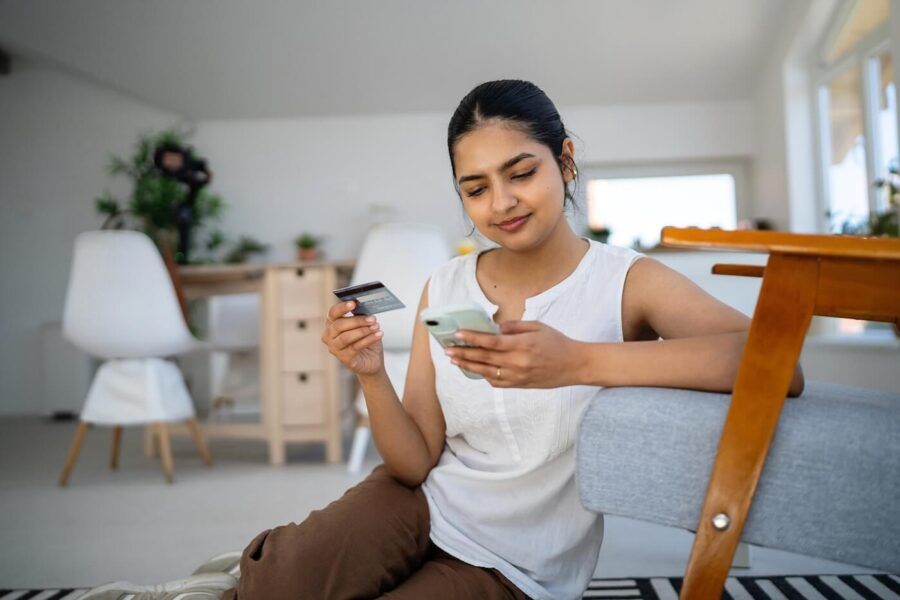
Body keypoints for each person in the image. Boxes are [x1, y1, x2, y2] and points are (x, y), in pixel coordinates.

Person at [85, 79, 804, 600]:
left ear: (566, 160)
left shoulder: (628, 281)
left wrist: (580, 360)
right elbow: (412, 460)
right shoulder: (446, 287)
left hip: (518, 562)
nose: (502, 203)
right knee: (289, 581)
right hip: (420, 502)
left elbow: (780, 366)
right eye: (476, 187)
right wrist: (369, 374)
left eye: (521, 172)